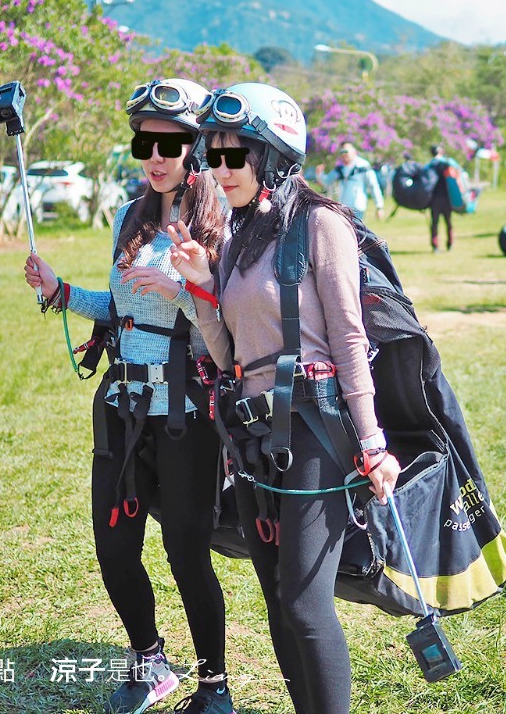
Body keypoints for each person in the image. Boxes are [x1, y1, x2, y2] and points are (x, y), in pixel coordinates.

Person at [165, 82, 401, 714]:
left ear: (271, 156)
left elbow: (350, 337)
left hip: (315, 430)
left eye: (233, 156)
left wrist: (374, 443)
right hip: (253, 437)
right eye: (212, 157)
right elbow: (226, 353)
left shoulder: (320, 225)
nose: (220, 170)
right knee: (275, 594)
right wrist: (197, 289)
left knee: (303, 600)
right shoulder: (238, 238)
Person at [23, 78, 235, 714]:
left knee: (186, 553)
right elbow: (118, 310)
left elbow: (230, 326)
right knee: (114, 547)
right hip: (122, 406)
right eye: (147, 141)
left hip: (188, 414)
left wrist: (180, 293)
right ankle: (150, 661)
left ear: (194, 145)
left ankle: (214, 685)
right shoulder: (130, 213)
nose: (156, 155)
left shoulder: (220, 218)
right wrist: (62, 291)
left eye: (170, 143)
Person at [314, 142, 384, 220]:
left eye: (346, 152)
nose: (344, 154)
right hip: (343, 208)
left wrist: (379, 206)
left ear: (354, 152)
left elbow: (373, 186)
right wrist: (319, 174)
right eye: (341, 152)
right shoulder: (340, 168)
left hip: (358, 208)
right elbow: (327, 181)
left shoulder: (363, 166)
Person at [427, 144, 455, 252]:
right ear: (440, 152)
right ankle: (450, 244)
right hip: (447, 199)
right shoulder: (446, 164)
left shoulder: (429, 166)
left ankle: (435, 246)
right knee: (448, 222)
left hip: (434, 200)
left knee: (434, 223)